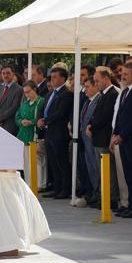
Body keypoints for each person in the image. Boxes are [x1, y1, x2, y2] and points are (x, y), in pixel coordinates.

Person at [110, 62, 132, 217]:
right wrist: (115, 133)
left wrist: (122, 135)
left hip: (131, 140)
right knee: (128, 174)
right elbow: (120, 115)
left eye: (126, 74)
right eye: (122, 73)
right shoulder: (125, 92)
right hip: (122, 139)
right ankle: (130, 204)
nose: (122, 76)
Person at [38, 66, 74, 200]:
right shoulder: (49, 94)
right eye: (51, 77)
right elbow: (43, 109)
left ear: (63, 78)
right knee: (52, 161)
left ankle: (65, 189)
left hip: (59, 133)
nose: (52, 80)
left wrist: (46, 120)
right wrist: (40, 119)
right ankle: (56, 187)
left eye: (55, 77)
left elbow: (60, 113)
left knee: (62, 162)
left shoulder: (67, 94)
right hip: (49, 133)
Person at [87, 67, 120, 209]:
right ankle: (103, 196)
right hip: (98, 137)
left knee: (109, 171)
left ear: (106, 79)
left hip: (104, 137)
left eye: (97, 81)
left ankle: (110, 198)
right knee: (102, 170)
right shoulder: (103, 95)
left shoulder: (112, 94)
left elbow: (105, 116)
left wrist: (92, 126)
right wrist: (90, 124)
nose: (96, 84)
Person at [76, 77, 100, 206]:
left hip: (92, 138)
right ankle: (94, 192)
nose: (85, 90)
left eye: (88, 86)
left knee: (96, 167)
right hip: (84, 139)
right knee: (90, 166)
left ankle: (98, 193)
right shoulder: (87, 101)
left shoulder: (98, 99)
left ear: (95, 87)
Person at [0, 65, 24, 135]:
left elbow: (15, 107)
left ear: (13, 74)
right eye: (3, 73)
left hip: (10, 127)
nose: (5, 76)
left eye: (8, 73)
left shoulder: (19, 89)